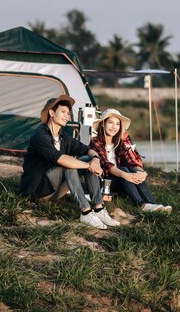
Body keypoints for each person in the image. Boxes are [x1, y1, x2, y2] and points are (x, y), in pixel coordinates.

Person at [20, 94, 120, 229]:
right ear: (51, 113)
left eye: (68, 113)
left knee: (88, 158)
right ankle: (85, 211)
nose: (67, 116)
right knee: (69, 164)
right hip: (39, 190)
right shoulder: (40, 136)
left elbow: (86, 149)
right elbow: (60, 159)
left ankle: (98, 208)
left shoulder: (63, 137)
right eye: (63, 112)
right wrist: (88, 166)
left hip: (56, 191)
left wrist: (95, 159)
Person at [89, 108, 171, 213]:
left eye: (117, 124)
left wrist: (141, 172)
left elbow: (131, 161)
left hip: (123, 181)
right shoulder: (95, 142)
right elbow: (106, 165)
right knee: (123, 169)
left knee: (134, 170)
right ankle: (141, 204)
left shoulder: (121, 142)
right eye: (110, 123)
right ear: (102, 124)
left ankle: (153, 204)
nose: (114, 127)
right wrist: (125, 175)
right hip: (105, 183)